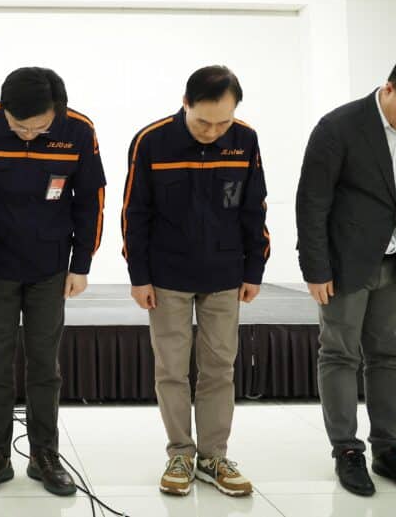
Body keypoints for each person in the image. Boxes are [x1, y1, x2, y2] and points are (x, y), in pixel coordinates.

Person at [297, 51, 396, 497]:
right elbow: (312, 202)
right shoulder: (339, 126)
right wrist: (315, 266)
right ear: (389, 89)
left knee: (389, 355)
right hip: (345, 262)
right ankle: (347, 450)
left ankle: (389, 449)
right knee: (340, 354)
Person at [0, 66, 105, 497]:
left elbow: (90, 199)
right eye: (18, 126)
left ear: (58, 111)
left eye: (38, 128)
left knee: (44, 365)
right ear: (4, 110)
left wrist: (82, 263)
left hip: (50, 266)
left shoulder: (79, 131)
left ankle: (44, 453)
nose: (28, 134)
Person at [122, 65, 269, 497]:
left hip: (225, 274)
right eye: (204, 121)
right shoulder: (152, 141)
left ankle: (214, 456)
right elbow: (135, 213)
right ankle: (180, 454)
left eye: (223, 121)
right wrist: (139, 276)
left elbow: (253, 208)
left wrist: (254, 269)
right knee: (170, 368)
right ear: (185, 103)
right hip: (166, 277)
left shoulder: (244, 140)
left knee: (219, 368)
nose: (213, 131)